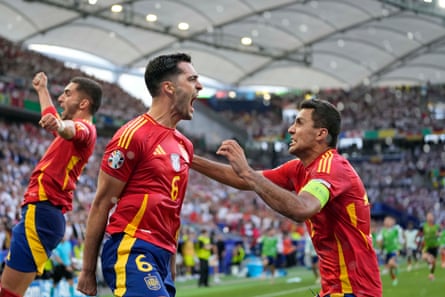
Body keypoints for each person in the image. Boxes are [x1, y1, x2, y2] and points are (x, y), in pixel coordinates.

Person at [191, 99, 382, 297]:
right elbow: (245, 179)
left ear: (321, 133)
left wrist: (248, 173)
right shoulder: (299, 169)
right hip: (336, 289)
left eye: (299, 123)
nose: (290, 129)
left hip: (354, 290)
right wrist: (189, 159)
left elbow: (302, 208)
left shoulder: (332, 167)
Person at [77, 53, 203, 297]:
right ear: (169, 87)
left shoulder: (184, 145)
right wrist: (87, 270)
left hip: (162, 255)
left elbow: (172, 213)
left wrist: (171, 268)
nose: (199, 86)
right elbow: (102, 202)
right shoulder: (132, 135)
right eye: (192, 79)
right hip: (132, 247)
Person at [0, 72, 102, 297]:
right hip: (42, 213)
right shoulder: (71, 132)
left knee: (8, 293)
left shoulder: (85, 129)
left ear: (84, 103)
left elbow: (69, 129)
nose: (61, 98)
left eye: (67, 93)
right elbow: (55, 123)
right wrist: (41, 89)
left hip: (43, 211)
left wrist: (59, 123)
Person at [377, 215, 403, 286]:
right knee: (390, 269)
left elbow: (401, 238)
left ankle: (397, 267)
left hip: (395, 250)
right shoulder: (383, 231)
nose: (386, 222)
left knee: (390, 263)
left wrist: (400, 246)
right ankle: (394, 279)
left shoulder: (396, 229)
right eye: (385, 221)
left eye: (388, 220)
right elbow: (379, 241)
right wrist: (380, 243)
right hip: (387, 251)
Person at [421, 212, 440, 281]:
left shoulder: (436, 226)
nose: (429, 218)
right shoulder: (424, 226)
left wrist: (438, 234)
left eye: (430, 216)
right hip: (427, 246)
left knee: (434, 262)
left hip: (434, 246)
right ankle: (429, 262)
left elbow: (439, 233)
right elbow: (422, 234)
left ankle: (431, 274)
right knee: (424, 257)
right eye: (428, 216)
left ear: (433, 218)